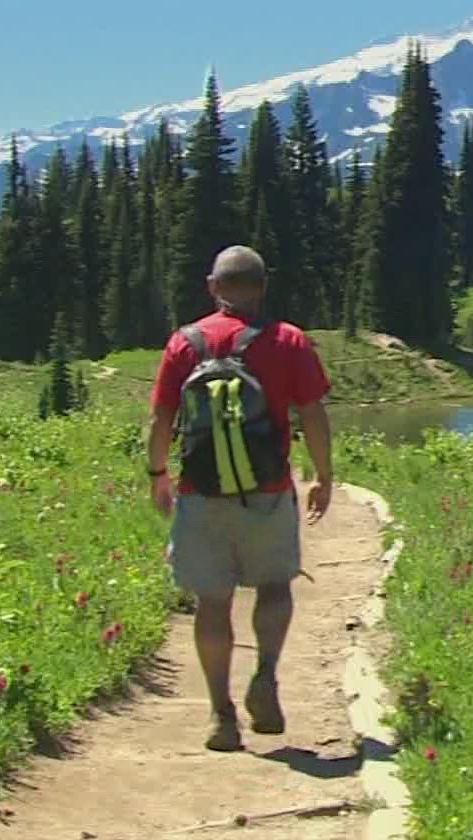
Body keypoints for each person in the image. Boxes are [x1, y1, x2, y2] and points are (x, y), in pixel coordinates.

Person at [145, 245, 336, 752]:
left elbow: (162, 418)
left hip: (202, 494)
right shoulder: (289, 340)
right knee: (274, 586)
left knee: (213, 602)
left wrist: (158, 473)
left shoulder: (183, 344)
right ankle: (266, 676)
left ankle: (221, 716)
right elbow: (313, 414)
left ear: (213, 287)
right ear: (262, 286)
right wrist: (323, 475)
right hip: (268, 493)